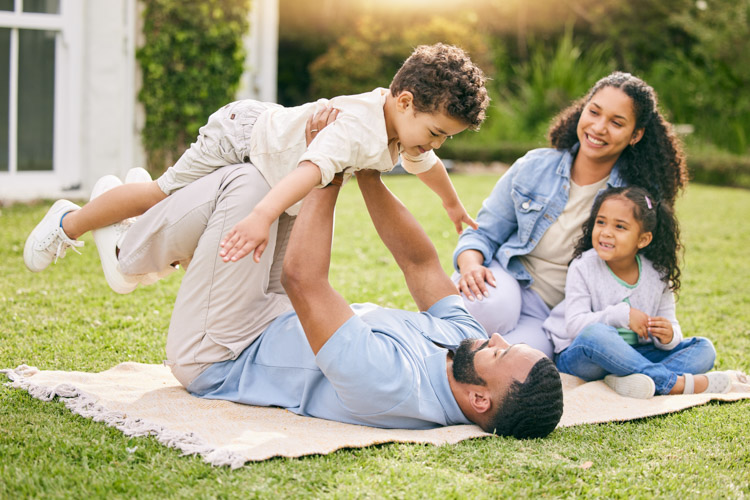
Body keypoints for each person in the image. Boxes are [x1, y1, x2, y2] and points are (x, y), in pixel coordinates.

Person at [107, 154, 563, 438]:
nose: (497, 339)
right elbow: (419, 263)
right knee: (275, 172)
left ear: (480, 401)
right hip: (273, 317)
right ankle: (151, 224)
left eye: (501, 356)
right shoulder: (465, 343)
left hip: (221, 351)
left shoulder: (393, 386)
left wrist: (328, 172)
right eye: (507, 345)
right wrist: (367, 174)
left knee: (249, 184)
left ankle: (127, 249)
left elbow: (304, 280)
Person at [24, 43, 489, 293]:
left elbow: (425, 164)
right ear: (405, 102)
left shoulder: (402, 127)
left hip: (267, 148)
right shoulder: (356, 129)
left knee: (196, 223)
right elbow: (308, 171)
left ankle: (132, 220)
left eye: (445, 136)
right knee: (161, 195)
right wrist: (262, 216)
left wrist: (452, 205)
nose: (436, 143)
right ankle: (68, 222)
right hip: (240, 139)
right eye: (436, 132)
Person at [452, 72, 689, 358]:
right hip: (508, 279)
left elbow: (643, 273)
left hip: (558, 316)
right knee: (486, 308)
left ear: (635, 135)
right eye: (594, 112)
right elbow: (482, 232)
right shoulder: (534, 166)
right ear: (582, 110)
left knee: (517, 361)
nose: (599, 128)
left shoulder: (635, 200)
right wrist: (470, 266)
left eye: (616, 122)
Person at [543, 186, 731, 398]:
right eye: (601, 222)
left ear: (643, 239)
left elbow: (672, 326)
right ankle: (671, 383)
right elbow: (575, 327)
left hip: (636, 354)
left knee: (704, 349)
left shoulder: (658, 275)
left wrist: (669, 336)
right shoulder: (583, 266)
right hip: (584, 356)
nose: (606, 231)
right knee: (596, 334)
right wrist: (622, 315)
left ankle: (631, 380)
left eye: (620, 227)